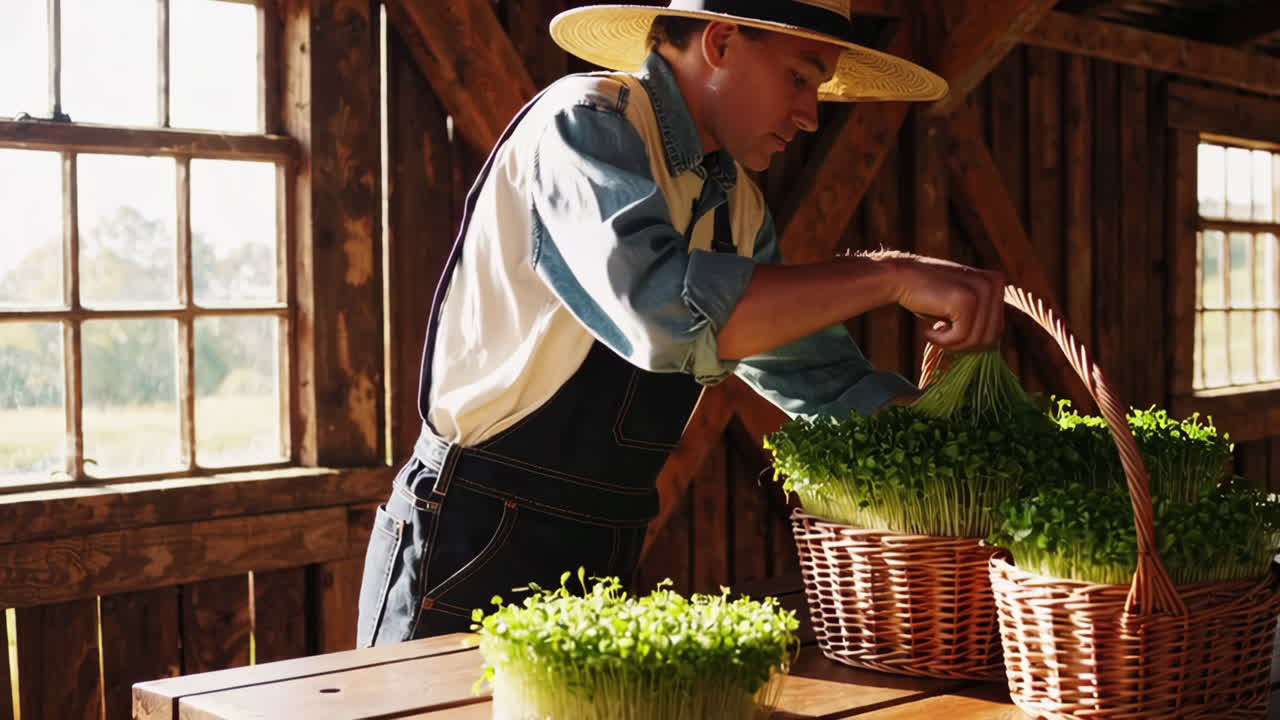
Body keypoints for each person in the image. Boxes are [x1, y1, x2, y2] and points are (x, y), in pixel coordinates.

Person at [356, 0, 1005, 647]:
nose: (810, 116)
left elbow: (824, 383)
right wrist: (887, 276)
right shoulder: (586, 122)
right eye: (801, 79)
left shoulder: (735, 208)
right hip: (477, 530)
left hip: (609, 538)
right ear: (720, 42)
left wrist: (971, 454)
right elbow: (661, 316)